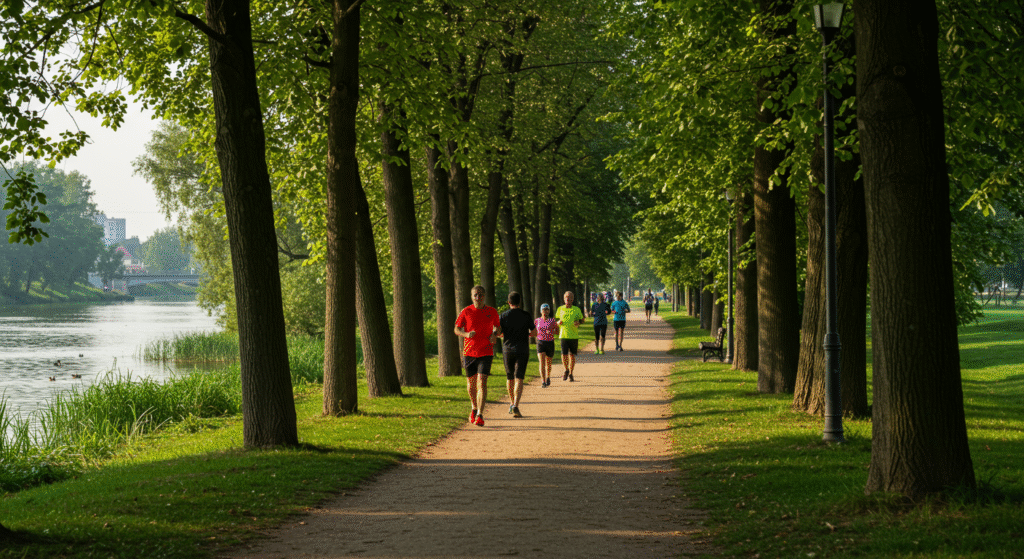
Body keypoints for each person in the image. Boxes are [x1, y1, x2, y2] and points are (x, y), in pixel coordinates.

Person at [454, 285, 502, 427]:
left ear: (484, 296)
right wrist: (466, 334)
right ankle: (474, 407)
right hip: (469, 352)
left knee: (482, 381)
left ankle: (480, 414)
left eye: (480, 295)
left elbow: (498, 327)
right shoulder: (466, 311)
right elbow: (456, 329)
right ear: (471, 296)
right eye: (475, 295)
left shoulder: (492, 312)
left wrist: (494, 334)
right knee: (471, 384)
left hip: (486, 351)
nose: (478, 297)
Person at [499, 291, 536, 418]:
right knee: (519, 377)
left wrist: (502, 335)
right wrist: (527, 334)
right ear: (519, 302)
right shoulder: (526, 315)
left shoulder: (503, 315)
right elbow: (534, 332)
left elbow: (498, 332)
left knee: (510, 377)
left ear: (508, 302)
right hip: (522, 349)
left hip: (507, 349)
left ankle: (511, 403)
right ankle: (515, 404)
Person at [555, 290, 585, 381]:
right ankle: (566, 370)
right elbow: (556, 321)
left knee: (572, 355)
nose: (568, 299)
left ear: (573, 299)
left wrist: (578, 322)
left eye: (570, 298)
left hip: (573, 336)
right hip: (563, 335)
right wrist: (558, 323)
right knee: (564, 354)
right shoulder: (560, 309)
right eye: (566, 298)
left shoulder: (576, 309)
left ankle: (571, 373)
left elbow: (582, 320)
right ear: (564, 299)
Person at [534, 303, 559, 387]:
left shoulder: (552, 321)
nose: (545, 311)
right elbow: (534, 331)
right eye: (544, 310)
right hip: (540, 342)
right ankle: (543, 381)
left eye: (547, 309)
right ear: (541, 311)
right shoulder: (537, 320)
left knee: (548, 364)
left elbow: (557, 331)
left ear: (549, 311)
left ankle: (548, 376)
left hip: (550, 343)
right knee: (542, 363)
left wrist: (551, 331)